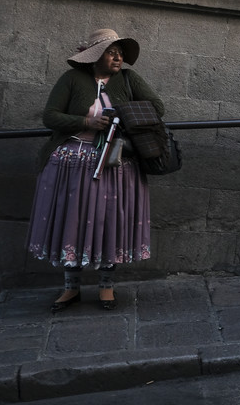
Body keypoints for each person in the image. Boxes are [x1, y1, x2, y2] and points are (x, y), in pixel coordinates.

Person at [26, 28, 164, 313]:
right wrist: (87, 123)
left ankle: (106, 286)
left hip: (116, 161)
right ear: (95, 56)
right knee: (71, 220)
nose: (118, 57)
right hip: (71, 162)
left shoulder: (128, 79)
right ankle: (70, 288)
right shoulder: (72, 80)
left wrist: (120, 117)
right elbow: (50, 116)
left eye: (120, 53)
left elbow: (156, 107)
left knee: (109, 220)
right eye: (112, 52)